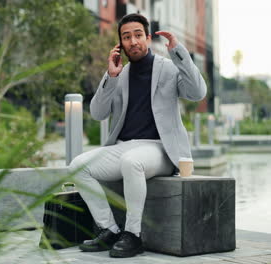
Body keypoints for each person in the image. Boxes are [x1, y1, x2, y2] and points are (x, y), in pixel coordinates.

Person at [69, 13, 207, 258]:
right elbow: (98, 113)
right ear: (120, 44)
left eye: (137, 35)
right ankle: (109, 230)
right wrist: (109, 76)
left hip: (160, 149)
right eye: (126, 37)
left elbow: (197, 93)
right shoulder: (119, 74)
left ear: (147, 37)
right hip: (125, 146)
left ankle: (133, 235)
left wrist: (179, 53)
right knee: (78, 165)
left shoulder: (168, 67)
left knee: (131, 162)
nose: (133, 41)